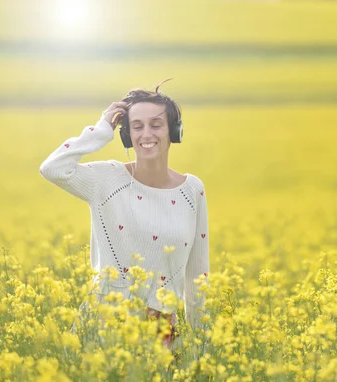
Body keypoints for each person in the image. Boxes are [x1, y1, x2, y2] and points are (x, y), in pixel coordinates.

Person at [39, 79, 210, 351]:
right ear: (126, 134)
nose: (146, 134)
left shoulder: (192, 190)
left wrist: (203, 348)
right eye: (136, 126)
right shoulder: (106, 179)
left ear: (174, 131)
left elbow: (198, 278)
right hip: (103, 327)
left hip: (161, 337)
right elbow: (52, 169)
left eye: (156, 124)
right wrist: (100, 130)